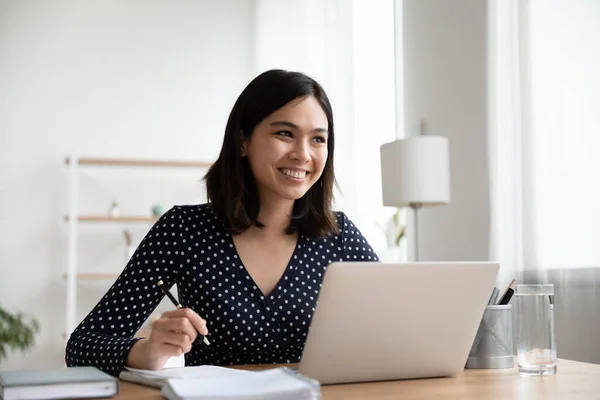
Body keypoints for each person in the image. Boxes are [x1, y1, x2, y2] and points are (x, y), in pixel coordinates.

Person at [65, 69, 379, 376]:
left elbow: (396, 332)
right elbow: (82, 347)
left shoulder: (339, 235)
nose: (302, 154)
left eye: (318, 139)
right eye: (285, 133)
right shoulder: (183, 229)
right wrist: (146, 351)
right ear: (243, 141)